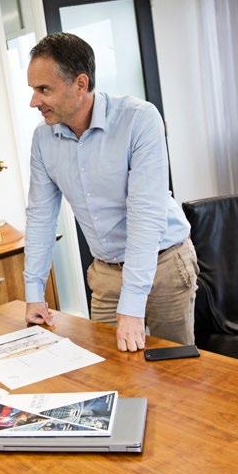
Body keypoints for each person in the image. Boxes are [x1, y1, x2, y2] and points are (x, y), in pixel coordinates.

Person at [23, 32, 198, 352]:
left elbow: (145, 214)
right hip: (105, 273)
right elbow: (40, 216)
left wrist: (132, 306)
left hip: (163, 266)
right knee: (107, 368)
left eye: (44, 89)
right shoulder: (43, 139)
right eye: (33, 89)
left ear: (80, 83)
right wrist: (34, 292)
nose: (34, 101)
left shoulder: (139, 119)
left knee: (174, 369)